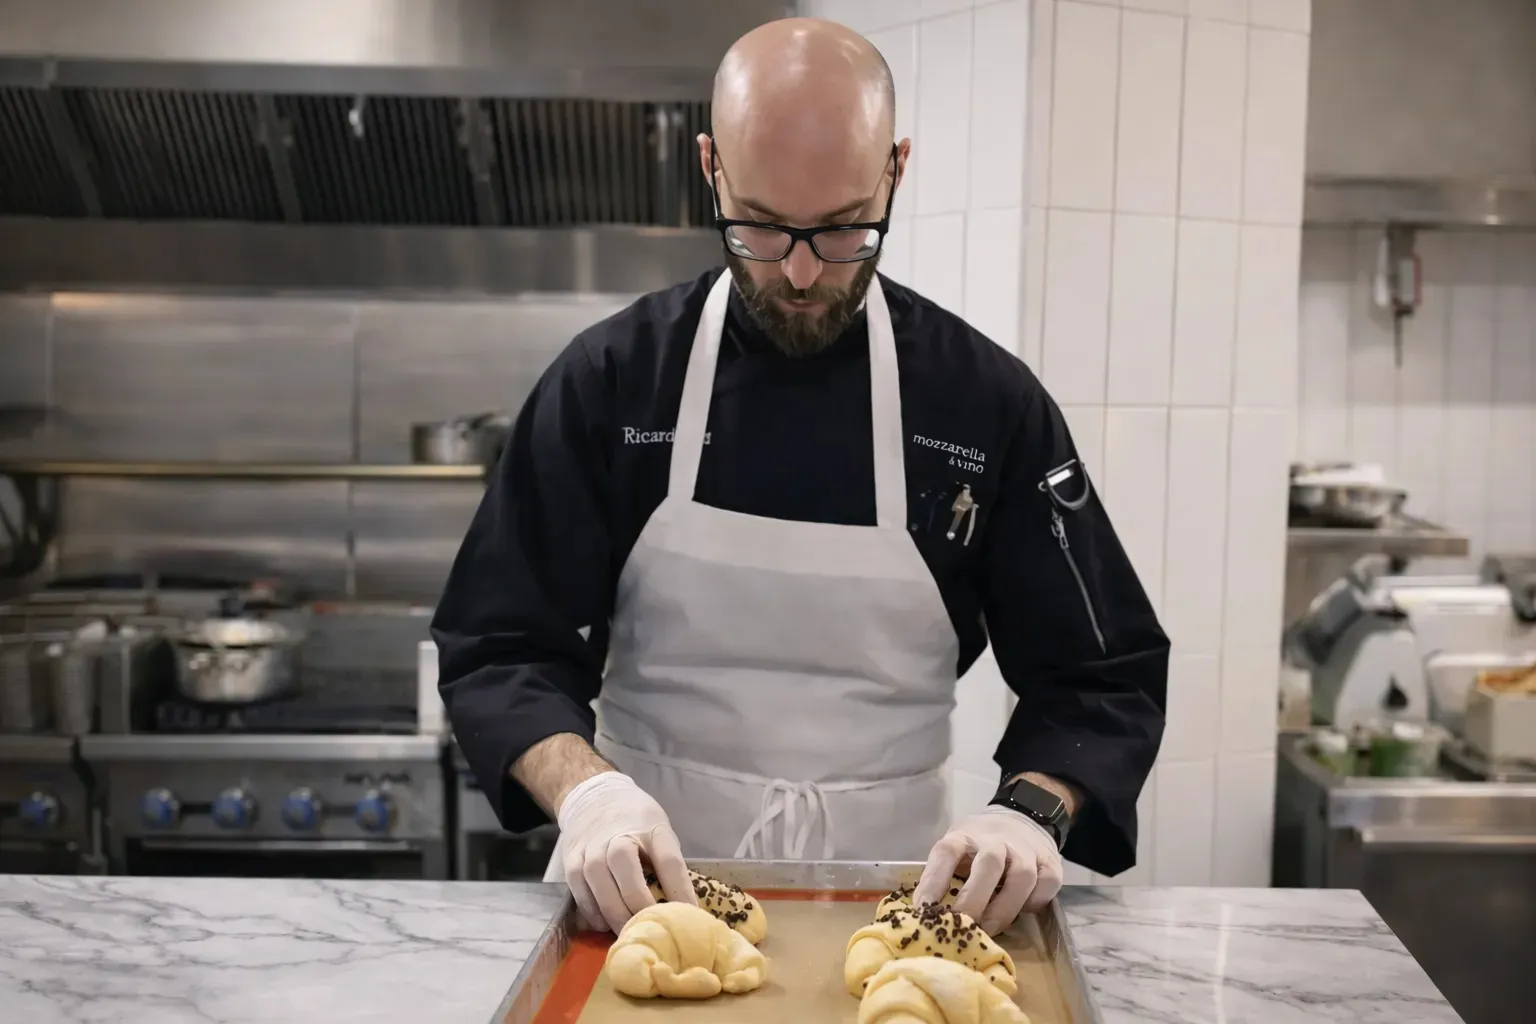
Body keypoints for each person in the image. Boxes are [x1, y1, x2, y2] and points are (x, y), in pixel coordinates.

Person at [432, 17, 1168, 937]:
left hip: (901, 908)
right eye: (763, 229)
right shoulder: (612, 381)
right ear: (710, 166)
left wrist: (1031, 814)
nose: (804, 273)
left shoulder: (985, 405)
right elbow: (499, 646)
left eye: (845, 229)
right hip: (640, 905)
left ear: (896, 170)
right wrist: (588, 798)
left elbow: (1101, 679)